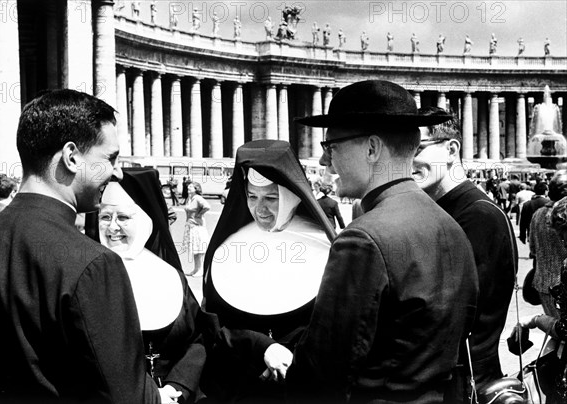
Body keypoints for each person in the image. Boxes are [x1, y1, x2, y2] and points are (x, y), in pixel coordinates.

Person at [0, 89, 165, 402]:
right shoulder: (94, 263)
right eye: (110, 159)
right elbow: (126, 396)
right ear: (72, 157)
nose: (118, 172)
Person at [287, 80, 478, 403]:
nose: (324, 162)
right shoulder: (452, 227)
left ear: (372, 149)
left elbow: (323, 370)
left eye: (331, 146)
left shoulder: (363, 239)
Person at [202, 139, 336, 403]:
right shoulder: (229, 246)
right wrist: (263, 347)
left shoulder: (326, 246)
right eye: (251, 197)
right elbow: (214, 326)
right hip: (244, 381)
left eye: (271, 198)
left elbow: (334, 324)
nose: (260, 209)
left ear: (291, 196)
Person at [412, 107, 517, 396]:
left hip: (465, 383)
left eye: (416, 148)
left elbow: (453, 315)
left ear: (451, 149)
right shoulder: (444, 210)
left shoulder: (479, 216)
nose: (405, 161)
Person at [86, 168, 209, 404]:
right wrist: (151, 396)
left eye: (123, 217)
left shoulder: (170, 275)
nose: (112, 228)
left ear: (144, 220)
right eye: (105, 217)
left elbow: (197, 339)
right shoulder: (84, 280)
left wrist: (178, 386)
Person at [520, 195, 567, 403]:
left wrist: (536, 320)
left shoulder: (537, 214)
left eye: (564, 235)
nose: (563, 242)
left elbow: (565, 328)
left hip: (545, 281)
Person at [529, 170, 567, 318]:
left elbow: (532, 249)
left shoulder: (538, 214)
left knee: (557, 332)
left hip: (544, 284)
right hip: (563, 286)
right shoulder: (563, 214)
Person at [183, 182, 210, 277]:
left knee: (200, 250)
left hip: (198, 226)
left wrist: (200, 214)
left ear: (196, 188)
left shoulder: (198, 198)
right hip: (191, 226)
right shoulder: (189, 198)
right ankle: (196, 269)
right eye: (188, 186)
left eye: (191, 186)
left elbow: (207, 206)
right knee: (195, 249)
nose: (188, 187)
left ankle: (201, 270)